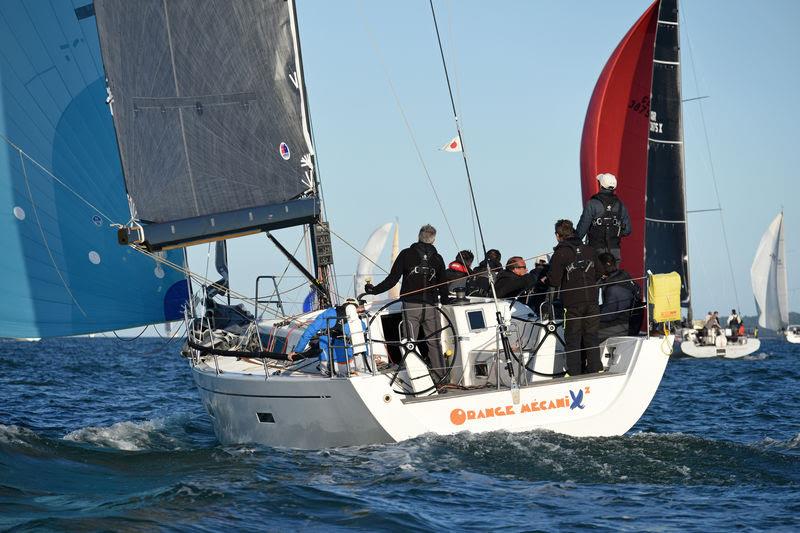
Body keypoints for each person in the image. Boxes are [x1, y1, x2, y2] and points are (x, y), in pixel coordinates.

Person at [365, 224, 449, 380]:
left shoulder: (406, 254)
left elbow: (392, 280)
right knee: (434, 343)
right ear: (433, 240)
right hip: (431, 306)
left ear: (419, 236)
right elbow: (443, 286)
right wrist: (446, 302)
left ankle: (416, 379)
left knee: (409, 342)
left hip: (411, 306)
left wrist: (373, 290)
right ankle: (441, 378)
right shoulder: (438, 258)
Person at [547, 219, 602, 376]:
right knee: (591, 336)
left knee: (573, 338)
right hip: (592, 300)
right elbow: (599, 271)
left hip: (572, 303)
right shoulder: (589, 250)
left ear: (558, 236)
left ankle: (575, 373)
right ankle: (594, 370)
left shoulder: (560, 253)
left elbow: (554, 281)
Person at [289, 298, 368, 373]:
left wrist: (297, 351)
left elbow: (308, 333)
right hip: (351, 364)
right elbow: (364, 340)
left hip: (328, 366)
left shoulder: (329, 313)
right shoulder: (358, 322)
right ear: (355, 309)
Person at [576, 173, 631, 262]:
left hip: (596, 251)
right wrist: (615, 232)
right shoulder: (621, 205)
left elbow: (582, 228)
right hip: (614, 252)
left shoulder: (592, 203)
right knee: (614, 275)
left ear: (601, 185)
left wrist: (573, 243)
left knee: (597, 275)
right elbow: (627, 230)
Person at [596, 252, 642, 341]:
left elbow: (608, 315)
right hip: (627, 323)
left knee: (587, 332)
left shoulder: (614, 288)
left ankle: (585, 355)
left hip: (620, 326)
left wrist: (590, 316)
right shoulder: (624, 278)